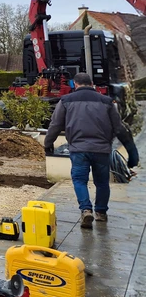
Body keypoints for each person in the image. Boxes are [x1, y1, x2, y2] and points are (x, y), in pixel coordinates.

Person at [44, 72, 123, 229]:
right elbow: (118, 127)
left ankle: (86, 210)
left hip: (79, 149)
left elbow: (55, 125)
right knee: (102, 182)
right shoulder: (107, 101)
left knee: (80, 180)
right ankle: (100, 213)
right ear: (92, 83)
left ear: (75, 84)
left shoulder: (66, 100)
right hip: (102, 149)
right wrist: (108, 141)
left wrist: (48, 143)